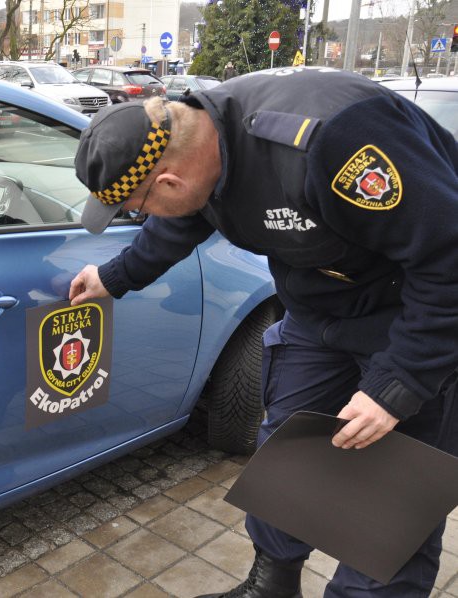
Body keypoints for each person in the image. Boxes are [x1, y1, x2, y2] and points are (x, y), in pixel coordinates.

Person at [68, 67, 458, 597]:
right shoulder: (201, 143)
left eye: (136, 207)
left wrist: (398, 386)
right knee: (287, 460)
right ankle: (271, 586)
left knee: (391, 508)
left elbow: (448, 262)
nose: (141, 216)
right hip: (317, 317)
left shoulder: (332, 142)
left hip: (414, 321)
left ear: (168, 182)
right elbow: (183, 217)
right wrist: (115, 277)